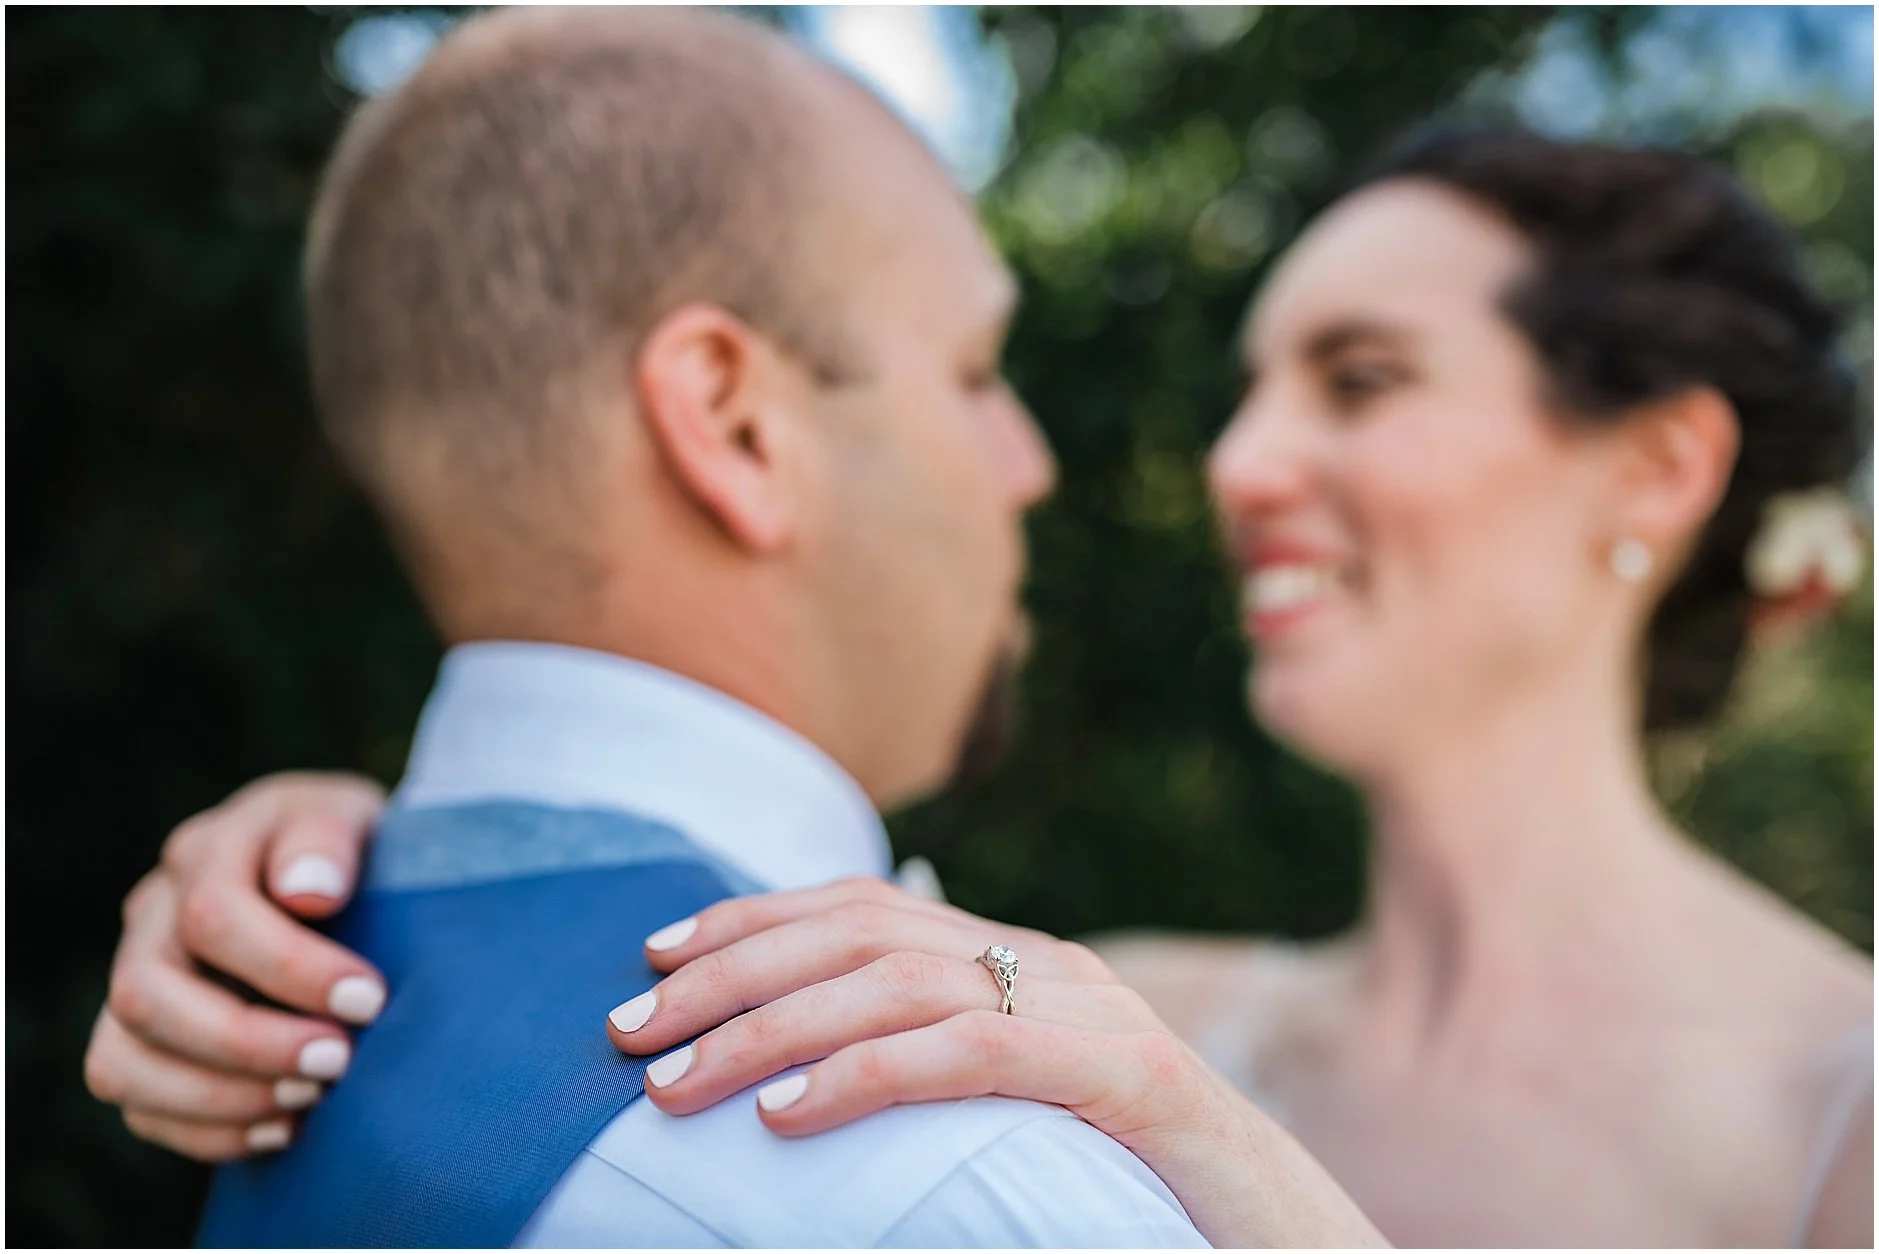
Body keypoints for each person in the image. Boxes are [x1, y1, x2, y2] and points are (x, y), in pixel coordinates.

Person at [86, 117, 1870, 1250]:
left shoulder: (1837, 1108)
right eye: (1245, 390)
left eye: (1357, 377)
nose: (1237, 463)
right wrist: (380, 851)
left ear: (1654, 467)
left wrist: (1222, 1153)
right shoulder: (1091, 1002)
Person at [116, 6, 1225, 1247]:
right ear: (734, 425)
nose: (1028, 466)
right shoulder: (951, 1173)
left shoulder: (289, 1013)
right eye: (972, 371)